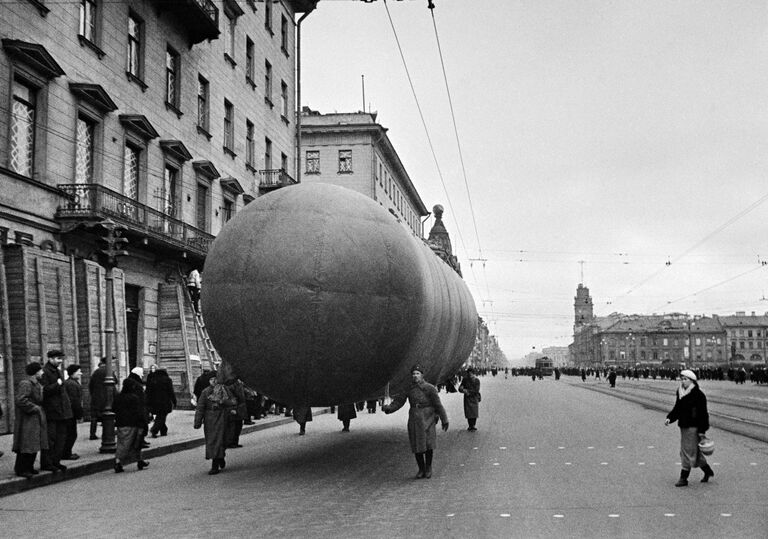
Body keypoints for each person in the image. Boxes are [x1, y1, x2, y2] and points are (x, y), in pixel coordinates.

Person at [382, 365, 449, 479]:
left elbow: (438, 405)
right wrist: (389, 408)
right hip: (415, 418)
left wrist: (444, 419)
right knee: (416, 444)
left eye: (417, 373)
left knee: (428, 444)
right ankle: (421, 469)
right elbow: (399, 401)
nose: (415, 376)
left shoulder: (430, 388)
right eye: (413, 374)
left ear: (422, 375)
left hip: (428, 418)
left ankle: (428, 468)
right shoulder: (408, 388)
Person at [664, 369, 714, 487]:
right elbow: (677, 408)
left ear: (692, 381)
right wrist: (670, 418)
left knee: (686, 451)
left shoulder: (698, 394)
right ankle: (708, 471)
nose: (683, 381)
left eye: (685, 379)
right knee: (694, 452)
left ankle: (683, 478)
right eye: (682, 379)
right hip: (684, 425)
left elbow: (703, 414)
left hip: (694, 426)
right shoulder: (680, 392)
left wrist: (702, 430)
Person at [194, 375, 237, 475]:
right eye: (211, 379)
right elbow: (200, 407)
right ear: (209, 381)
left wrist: (223, 402)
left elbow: (233, 401)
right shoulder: (205, 392)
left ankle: (220, 457)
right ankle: (215, 465)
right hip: (210, 420)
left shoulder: (224, 389)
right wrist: (197, 421)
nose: (214, 381)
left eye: (215, 379)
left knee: (223, 440)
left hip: (223, 418)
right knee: (213, 441)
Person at [12, 362, 48, 478]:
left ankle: (29, 467)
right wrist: (34, 408)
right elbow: (20, 400)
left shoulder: (36, 384)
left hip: (34, 418)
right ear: (36, 372)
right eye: (40, 371)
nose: (42, 373)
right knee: (27, 444)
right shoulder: (26, 383)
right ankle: (22, 469)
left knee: (34, 443)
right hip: (27, 419)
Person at [40, 349, 72, 472]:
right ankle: (47, 463)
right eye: (58, 359)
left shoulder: (57, 371)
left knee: (61, 438)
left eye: (61, 358)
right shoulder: (45, 372)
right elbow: (44, 391)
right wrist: (57, 384)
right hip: (52, 412)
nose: (60, 361)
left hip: (61, 411)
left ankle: (56, 462)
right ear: (50, 359)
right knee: (51, 439)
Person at [112, 377, 150, 472]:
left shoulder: (118, 397)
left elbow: (113, 409)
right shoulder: (134, 398)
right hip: (133, 423)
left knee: (123, 443)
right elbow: (138, 412)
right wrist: (143, 422)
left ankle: (121, 462)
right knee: (136, 443)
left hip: (121, 423)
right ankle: (135, 461)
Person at [146, 367, 176, 437]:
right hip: (164, 402)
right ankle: (154, 430)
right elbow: (171, 391)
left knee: (160, 415)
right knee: (162, 416)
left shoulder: (153, 379)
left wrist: (148, 401)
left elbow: (148, 391)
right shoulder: (167, 380)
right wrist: (174, 401)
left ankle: (164, 430)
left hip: (154, 402)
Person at [62, 364, 84, 460]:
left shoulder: (71, 382)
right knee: (71, 434)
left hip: (69, 412)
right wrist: (79, 414)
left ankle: (66, 452)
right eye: (79, 371)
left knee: (70, 433)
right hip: (70, 413)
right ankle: (66, 453)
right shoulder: (71, 384)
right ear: (73, 373)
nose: (80, 373)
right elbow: (74, 401)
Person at [88, 357, 111, 440]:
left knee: (94, 417)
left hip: (95, 397)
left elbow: (90, 385)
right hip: (105, 397)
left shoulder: (96, 371)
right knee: (106, 416)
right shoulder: (108, 371)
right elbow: (114, 381)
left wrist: (93, 394)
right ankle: (106, 434)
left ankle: (92, 434)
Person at [224, 377, 247, 448]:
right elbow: (231, 397)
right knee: (233, 426)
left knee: (238, 426)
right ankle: (230, 442)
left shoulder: (238, 383)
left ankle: (235, 442)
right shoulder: (230, 384)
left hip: (240, 407)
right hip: (234, 408)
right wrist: (232, 408)